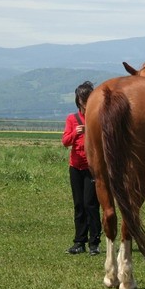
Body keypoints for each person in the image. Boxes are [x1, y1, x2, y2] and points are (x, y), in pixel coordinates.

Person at [62, 81, 102, 256]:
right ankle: (79, 242)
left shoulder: (97, 118)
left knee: (91, 204)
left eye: (87, 98)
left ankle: (94, 243)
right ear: (78, 100)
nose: (84, 102)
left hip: (92, 167)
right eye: (82, 99)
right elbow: (65, 142)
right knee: (79, 205)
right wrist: (75, 133)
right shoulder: (72, 119)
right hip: (75, 166)